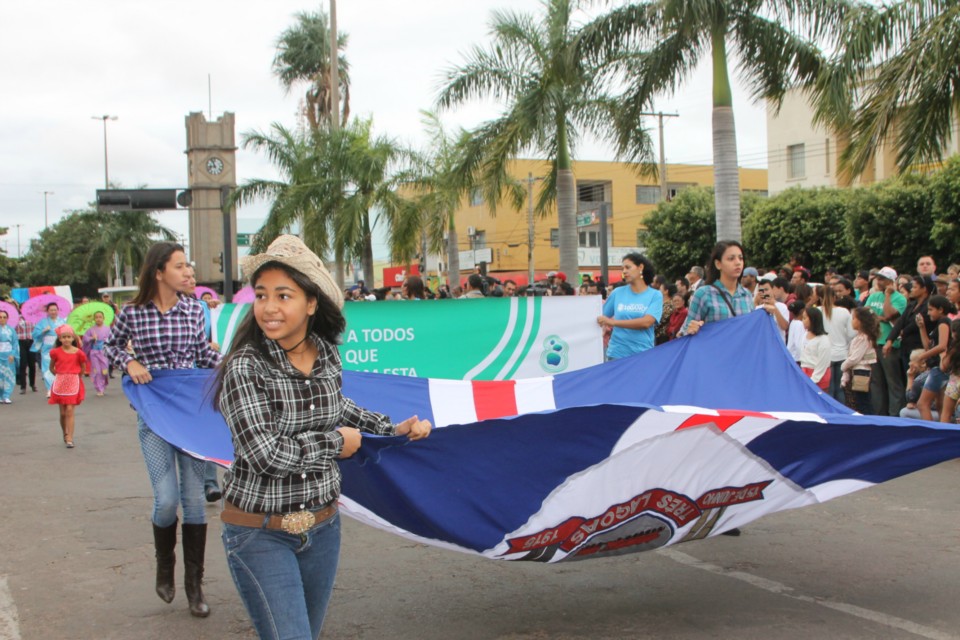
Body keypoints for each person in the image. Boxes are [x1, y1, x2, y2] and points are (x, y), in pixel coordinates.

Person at [212, 235, 432, 639]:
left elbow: (336, 406)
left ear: (311, 303)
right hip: (258, 532)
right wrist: (336, 444)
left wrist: (389, 428)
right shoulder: (245, 366)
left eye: (283, 295)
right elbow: (263, 453)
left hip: (323, 527)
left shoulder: (326, 352)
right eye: (261, 295)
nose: (269, 307)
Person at [104, 242, 221, 618]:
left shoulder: (193, 309)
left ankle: (195, 587)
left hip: (191, 415)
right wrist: (130, 361)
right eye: (180, 266)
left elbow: (203, 355)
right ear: (159, 272)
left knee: (194, 501)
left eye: (188, 265)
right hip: (154, 413)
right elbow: (110, 347)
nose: (188, 272)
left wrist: (232, 364)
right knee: (166, 499)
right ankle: (164, 565)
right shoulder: (133, 312)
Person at [597, 253, 663, 358]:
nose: (624, 271)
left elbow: (647, 322)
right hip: (616, 354)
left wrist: (612, 322)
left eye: (628, 267)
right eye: (622, 268)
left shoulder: (655, 295)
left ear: (640, 267)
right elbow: (599, 315)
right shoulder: (617, 292)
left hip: (642, 355)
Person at [682, 240, 754, 336]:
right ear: (718, 264)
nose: (738, 263)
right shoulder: (704, 294)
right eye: (731, 259)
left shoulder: (747, 295)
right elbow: (685, 331)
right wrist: (690, 329)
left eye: (740, 258)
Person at [865, 267, 908, 416]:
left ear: (891, 281)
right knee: (877, 383)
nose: (879, 281)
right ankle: (879, 415)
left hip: (890, 345)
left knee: (893, 383)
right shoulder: (873, 296)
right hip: (874, 343)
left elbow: (889, 314)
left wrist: (888, 295)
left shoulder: (899, 298)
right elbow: (865, 316)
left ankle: (895, 415)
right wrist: (881, 318)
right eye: (878, 278)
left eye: (882, 278)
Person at [913, 295, 955, 421]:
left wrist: (920, 357)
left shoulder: (943, 322)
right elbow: (928, 346)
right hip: (939, 368)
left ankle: (931, 431)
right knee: (940, 406)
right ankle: (943, 431)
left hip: (939, 368)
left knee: (922, 404)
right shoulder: (939, 324)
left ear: (941, 309)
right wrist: (922, 327)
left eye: (931, 309)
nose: (928, 312)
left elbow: (942, 346)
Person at [48, 325, 87, 447]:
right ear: (60, 339)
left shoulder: (78, 353)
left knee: (70, 410)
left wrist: (74, 377)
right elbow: (51, 367)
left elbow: (82, 368)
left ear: (72, 338)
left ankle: (70, 436)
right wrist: (60, 375)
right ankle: (64, 432)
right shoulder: (55, 352)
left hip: (74, 382)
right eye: (63, 337)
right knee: (63, 412)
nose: (66, 339)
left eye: (68, 337)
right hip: (60, 382)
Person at [821, 285, 856, 403]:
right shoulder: (844, 311)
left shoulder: (818, 312)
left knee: (828, 388)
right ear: (835, 297)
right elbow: (852, 333)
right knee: (841, 388)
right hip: (842, 354)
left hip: (825, 355)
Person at [842, 308, 880, 415]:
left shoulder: (864, 338)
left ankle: (869, 421)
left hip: (861, 372)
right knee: (859, 400)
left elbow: (855, 357)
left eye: (854, 318)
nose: (852, 321)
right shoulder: (859, 337)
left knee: (863, 401)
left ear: (861, 321)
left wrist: (844, 365)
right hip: (856, 371)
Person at [33, 302, 66, 397]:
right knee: (47, 369)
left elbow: (68, 333)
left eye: (55, 310)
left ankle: (60, 387)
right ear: (47, 311)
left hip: (60, 347)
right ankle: (50, 389)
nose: (53, 312)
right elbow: (35, 335)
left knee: (60, 367)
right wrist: (43, 331)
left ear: (58, 311)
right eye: (51, 310)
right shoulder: (43, 322)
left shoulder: (62, 322)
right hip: (47, 349)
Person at [799, 306, 831, 390]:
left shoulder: (823, 339)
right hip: (805, 373)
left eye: (805, 318)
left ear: (812, 320)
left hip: (818, 376)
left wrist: (812, 380)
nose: (803, 321)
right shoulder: (805, 335)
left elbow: (822, 363)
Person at [82, 311, 112, 397]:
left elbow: (112, 339)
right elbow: (85, 339)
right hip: (94, 352)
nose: (98, 319)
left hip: (104, 352)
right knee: (97, 371)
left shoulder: (108, 329)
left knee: (104, 371)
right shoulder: (91, 329)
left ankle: (103, 384)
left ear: (103, 318)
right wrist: (92, 338)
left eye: (100, 317)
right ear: (94, 319)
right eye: (96, 317)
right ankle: (99, 388)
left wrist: (106, 340)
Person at [15, 308, 37, 394]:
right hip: (21, 342)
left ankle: (32, 384)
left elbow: (36, 329)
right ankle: (23, 386)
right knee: (22, 364)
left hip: (31, 341)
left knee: (32, 364)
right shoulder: (17, 318)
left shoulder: (33, 318)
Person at [0, 309, 19, 404]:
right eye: (0, 317)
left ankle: (6, 395)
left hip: (8, 355)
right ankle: (0, 395)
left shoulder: (11, 330)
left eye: (4, 317)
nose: (2, 319)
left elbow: (15, 343)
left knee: (8, 375)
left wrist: (12, 354)